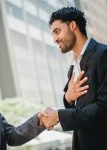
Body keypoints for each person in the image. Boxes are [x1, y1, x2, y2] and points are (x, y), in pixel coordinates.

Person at [39, 6, 107, 150]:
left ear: (72, 25)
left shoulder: (103, 54)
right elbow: (80, 109)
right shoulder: (72, 67)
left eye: (57, 31)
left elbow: (103, 107)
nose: (54, 39)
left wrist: (59, 116)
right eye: (52, 34)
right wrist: (68, 99)